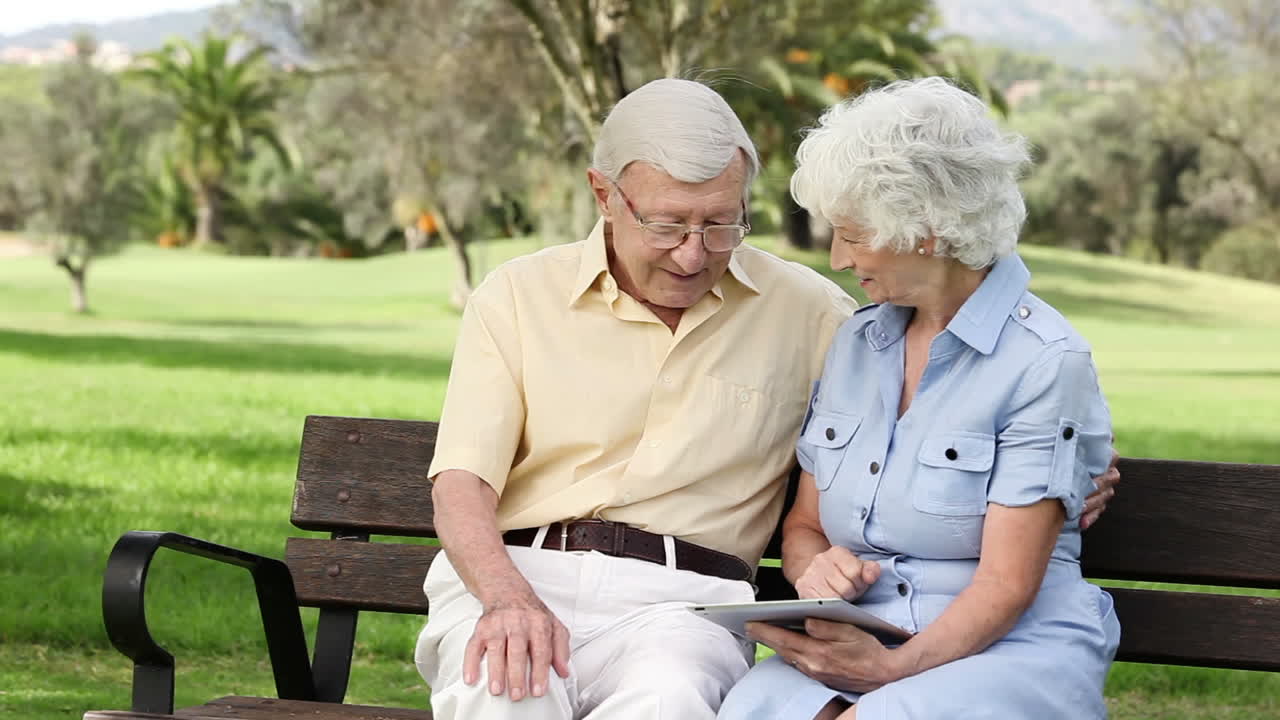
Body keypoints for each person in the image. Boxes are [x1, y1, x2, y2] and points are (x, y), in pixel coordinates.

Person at [415, 78, 1119, 720]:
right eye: (668, 225)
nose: (693, 253)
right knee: (501, 688)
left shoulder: (818, 316)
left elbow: (998, 404)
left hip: (683, 606)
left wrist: (1073, 468)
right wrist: (505, 597)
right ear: (605, 196)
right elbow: (461, 482)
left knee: (669, 701)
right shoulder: (517, 295)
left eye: (721, 223)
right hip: (517, 572)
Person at [716, 77, 1121, 720]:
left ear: (926, 229)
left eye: (853, 235)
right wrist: (813, 569)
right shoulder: (857, 344)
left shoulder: (1045, 361)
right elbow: (806, 525)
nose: (838, 258)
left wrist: (890, 672)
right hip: (868, 635)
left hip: (1006, 649)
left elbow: (1006, 584)